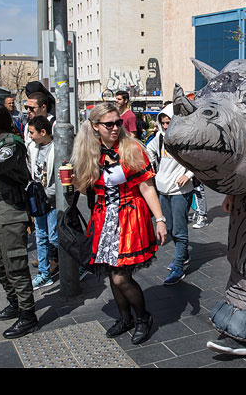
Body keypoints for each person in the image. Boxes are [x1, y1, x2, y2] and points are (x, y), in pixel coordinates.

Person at [69, 102, 167, 343]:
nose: (115, 128)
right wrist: (73, 180)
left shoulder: (132, 148)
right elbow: (85, 189)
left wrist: (160, 219)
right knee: (113, 271)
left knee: (120, 276)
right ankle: (125, 318)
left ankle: (143, 318)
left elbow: (146, 186)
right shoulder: (90, 150)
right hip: (104, 219)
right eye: (109, 124)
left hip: (130, 217)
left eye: (118, 122)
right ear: (95, 127)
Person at [0, 102, 37, 339]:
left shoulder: (11, 144)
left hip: (11, 211)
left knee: (15, 265)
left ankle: (28, 315)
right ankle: (15, 301)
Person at [146, 103, 195, 285]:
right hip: (162, 189)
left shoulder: (186, 138)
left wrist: (188, 174)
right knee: (170, 227)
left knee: (179, 231)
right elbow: (148, 151)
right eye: (163, 122)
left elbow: (199, 159)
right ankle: (183, 255)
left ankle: (178, 266)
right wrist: (151, 167)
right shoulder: (159, 137)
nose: (166, 126)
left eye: (169, 122)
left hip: (181, 191)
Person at [26, 116, 58, 289]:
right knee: (40, 237)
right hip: (38, 200)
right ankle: (44, 273)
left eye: (32, 132)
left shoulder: (57, 149)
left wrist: (49, 195)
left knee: (54, 236)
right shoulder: (32, 148)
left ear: (43, 132)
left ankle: (77, 265)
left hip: (52, 201)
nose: (30, 136)